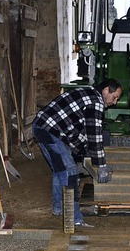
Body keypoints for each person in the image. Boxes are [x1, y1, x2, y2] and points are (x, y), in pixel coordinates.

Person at [32, 79, 122, 226]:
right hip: (50, 130)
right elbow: (94, 136)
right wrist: (100, 165)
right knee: (70, 173)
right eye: (115, 97)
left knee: (59, 170)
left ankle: (58, 209)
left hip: (44, 127)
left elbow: (81, 131)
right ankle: (74, 219)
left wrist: (84, 153)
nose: (115, 102)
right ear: (106, 90)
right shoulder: (95, 102)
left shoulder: (89, 94)